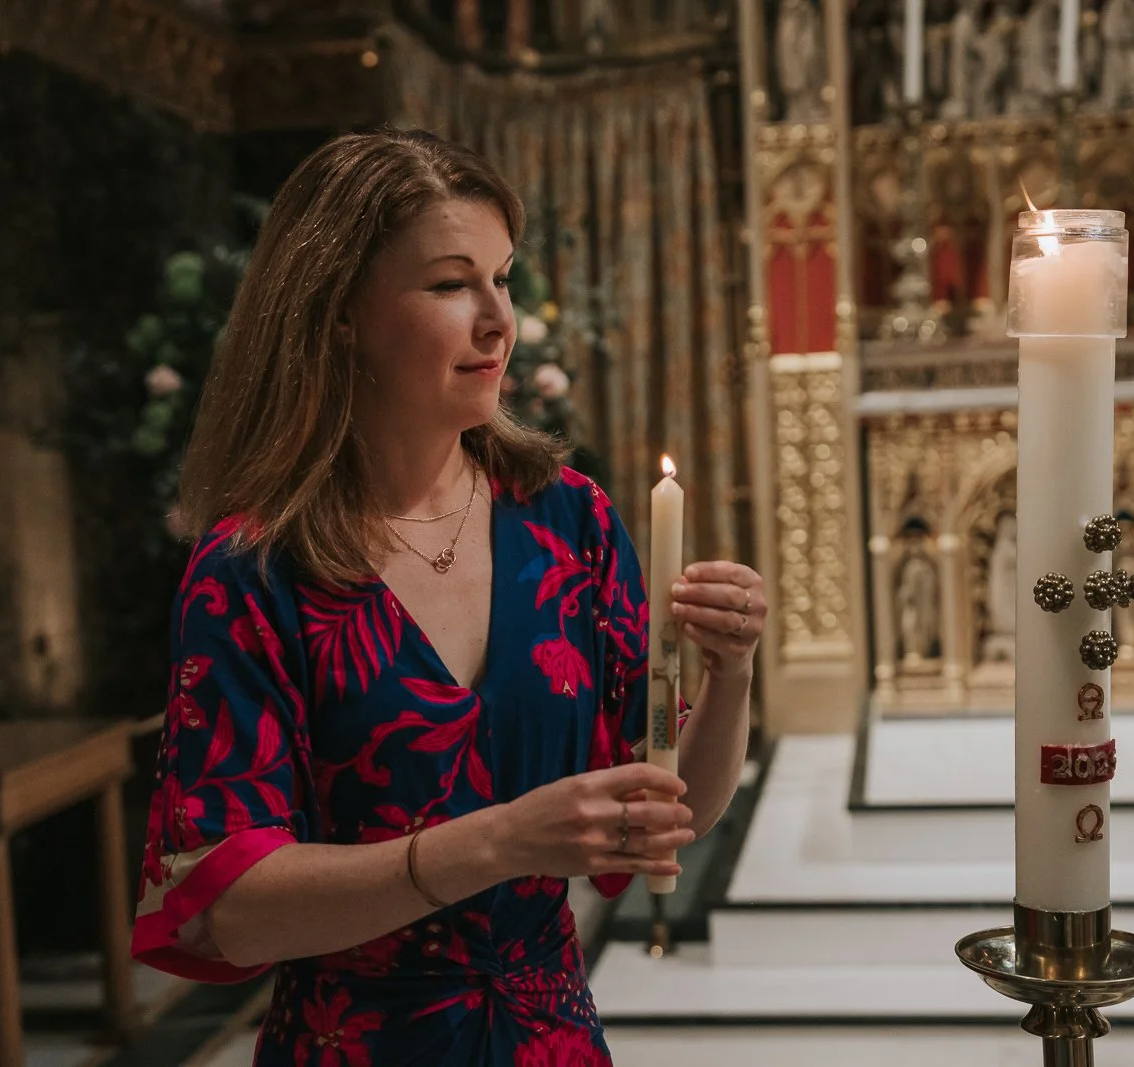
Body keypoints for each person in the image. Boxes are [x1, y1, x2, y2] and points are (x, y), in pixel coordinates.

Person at [130, 129, 764, 1066]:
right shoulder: (253, 569)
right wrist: (501, 840)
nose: (499, 319)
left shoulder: (569, 523)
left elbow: (672, 809)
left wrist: (731, 674)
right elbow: (229, 910)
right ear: (339, 313)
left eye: (502, 278)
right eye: (450, 284)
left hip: (550, 1039)